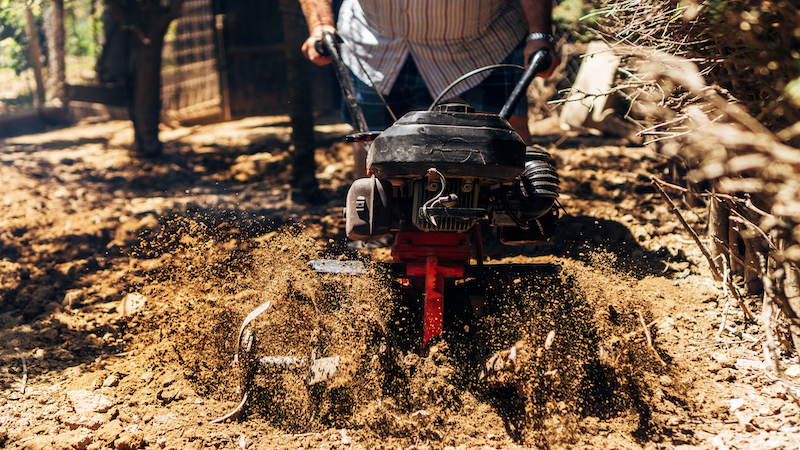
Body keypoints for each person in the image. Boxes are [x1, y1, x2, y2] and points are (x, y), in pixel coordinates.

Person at [298, 0, 561, 178]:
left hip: (482, 43)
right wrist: (320, 25)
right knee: (371, 136)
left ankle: (515, 219)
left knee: (505, 133)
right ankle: (374, 225)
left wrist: (540, 34)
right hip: (376, 42)